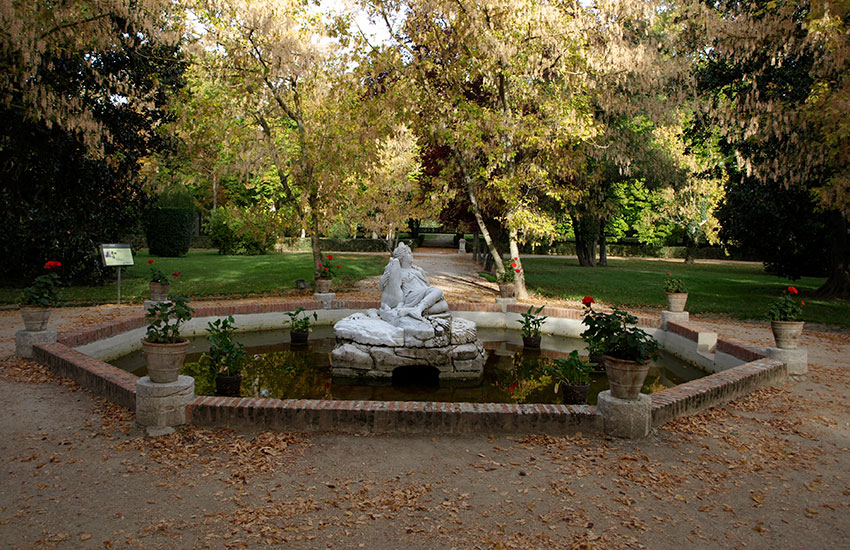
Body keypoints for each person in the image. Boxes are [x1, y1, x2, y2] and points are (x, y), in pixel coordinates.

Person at [379, 242, 449, 321]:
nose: (412, 255)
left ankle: (412, 310)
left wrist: (432, 295)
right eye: (409, 253)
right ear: (402, 257)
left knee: (444, 305)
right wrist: (383, 279)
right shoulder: (399, 272)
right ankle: (418, 309)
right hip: (411, 296)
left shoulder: (419, 270)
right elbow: (386, 288)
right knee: (438, 291)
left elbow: (427, 285)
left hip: (424, 293)